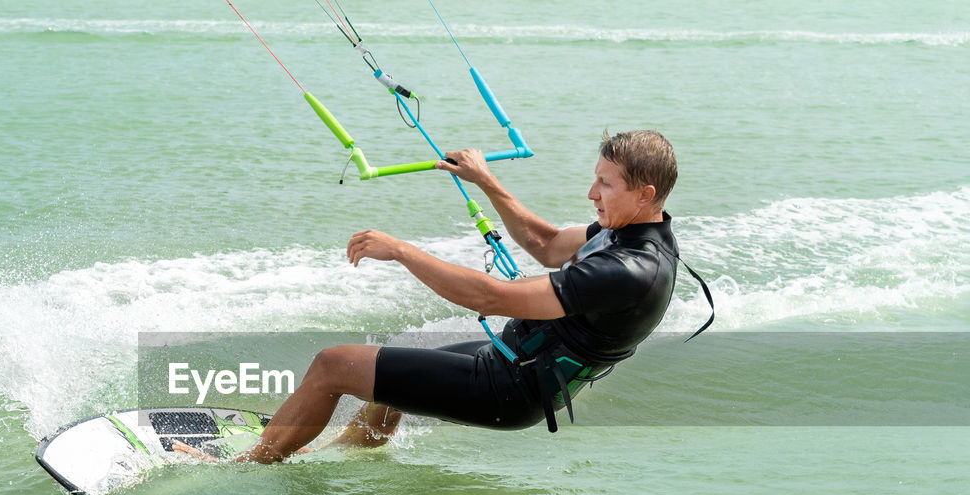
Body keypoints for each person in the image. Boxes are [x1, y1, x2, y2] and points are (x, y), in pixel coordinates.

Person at [217, 129, 682, 463]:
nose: (590, 193)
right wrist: (485, 180)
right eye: (595, 179)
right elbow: (544, 244)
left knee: (333, 365)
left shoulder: (629, 271)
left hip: (511, 388)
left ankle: (249, 467)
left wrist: (402, 251)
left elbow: (490, 297)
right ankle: (353, 454)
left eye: (605, 184)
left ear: (645, 194)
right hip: (514, 361)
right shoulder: (627, 230)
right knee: (390, 381)